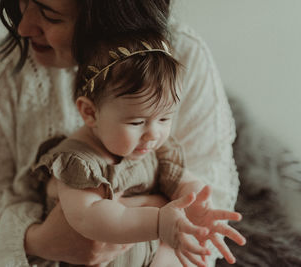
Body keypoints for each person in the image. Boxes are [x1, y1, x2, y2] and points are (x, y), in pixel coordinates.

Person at [0, 0, 243, 266]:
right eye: (23, 1)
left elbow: (204, 186)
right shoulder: (76, 161)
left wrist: (187, 205)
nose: (22, 27)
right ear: (88, 112)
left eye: (50, 15)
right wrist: (38, 241)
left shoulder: (180, 57)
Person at [30, 35, 245, 267]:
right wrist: (158, 223)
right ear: (90, 113)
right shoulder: (77, 163)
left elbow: (181, 181)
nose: (153, 134)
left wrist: (195, 204)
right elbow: (89, 217)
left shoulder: (155, 151)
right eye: (136, 122)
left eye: (164, 118)